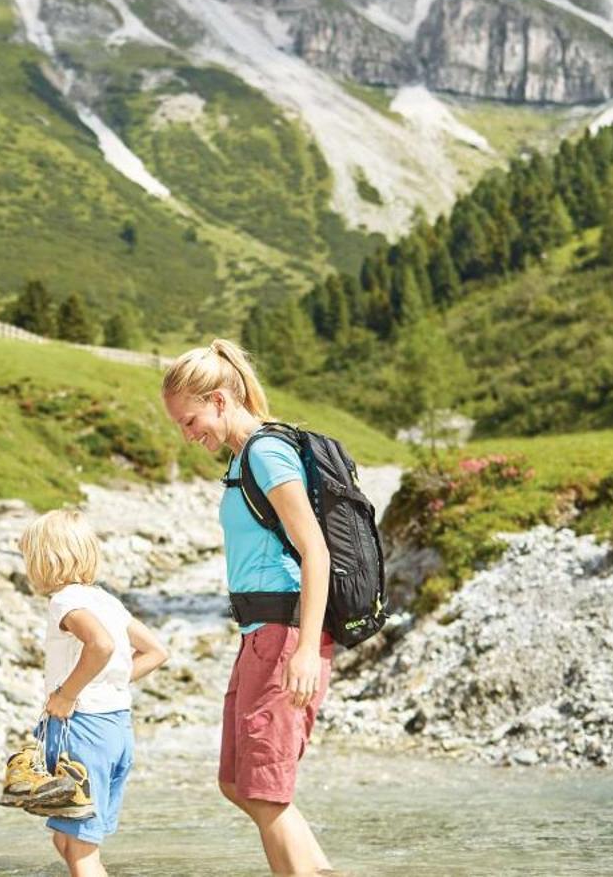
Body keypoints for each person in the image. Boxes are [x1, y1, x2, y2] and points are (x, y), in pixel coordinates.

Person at [161, 341, 335, 877]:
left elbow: (316, 551)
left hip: (285, 637)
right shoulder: (243, 458)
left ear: (217, 400)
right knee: (238, 783)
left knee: (263, 791)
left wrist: (306, 650)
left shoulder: (266, 453)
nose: (189, 436)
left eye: (190, 421)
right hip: (258, 636)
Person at [16, 509, 169, 877]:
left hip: (81, 731)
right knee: (68, 839)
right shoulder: (106, 601)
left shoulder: (65, 601)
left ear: (44, 560)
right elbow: (156, 651)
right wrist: (109, 682)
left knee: (82, 851)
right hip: (115, 730)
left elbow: (99, 645)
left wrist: (68, 694)